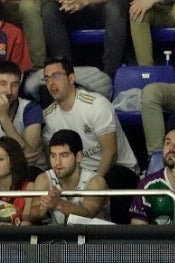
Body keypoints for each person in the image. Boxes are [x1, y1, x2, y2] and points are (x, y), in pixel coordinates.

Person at [41, 59, 139, 194]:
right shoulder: (48, 116)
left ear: (71, 78)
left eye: (56, 76)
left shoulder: (96, 104)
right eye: (46, 79)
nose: (51, 83)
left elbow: (111, 153)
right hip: (76, 174)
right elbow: (50, 157)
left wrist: (90, 186)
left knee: (114, 179)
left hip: (116, 168)